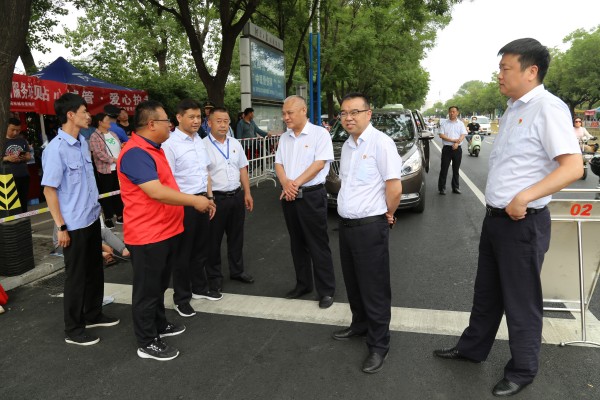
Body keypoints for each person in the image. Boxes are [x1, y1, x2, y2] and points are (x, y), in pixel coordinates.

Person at [433, 38, 582, 397]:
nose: (499, 75)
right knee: (486, 292)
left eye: (505, 68)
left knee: (521, 301)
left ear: (531, 71)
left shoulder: (548, 108)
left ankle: (523, 370)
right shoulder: (514, 108)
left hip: (522, 222)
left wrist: (525, 196)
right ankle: (472, 348)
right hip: (496, 219)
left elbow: (573, 166)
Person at [117, 100, 215, 361]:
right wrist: (194, 201)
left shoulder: (153, 149)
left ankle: (159, 324)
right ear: (151, 124)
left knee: (158, 285)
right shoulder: (136, 152)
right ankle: (146, 341)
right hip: (148, 234)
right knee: (147, 290)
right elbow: (156, 191)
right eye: (165, 121)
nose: (170, 125)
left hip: (165, 230)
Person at [330, 92, 402, 374]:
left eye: (354, 112)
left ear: (368, 114)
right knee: (353, 282)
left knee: (374, 288)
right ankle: (359, 325)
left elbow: (394, 187)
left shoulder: (381, 143)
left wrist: (388, 213)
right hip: (347, 226)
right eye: (344, 113)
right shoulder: (348, 146)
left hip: (370, 227)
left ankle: (379, 344)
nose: (348, 118)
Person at [41, 93, 119, 346]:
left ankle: (93, 313)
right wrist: (61, 227)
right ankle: (73, 329)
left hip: (91, 218)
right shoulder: (56, 149)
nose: (89, 116)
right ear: (70, 114)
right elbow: (49, 191)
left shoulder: (82, 143)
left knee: (94, 270)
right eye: (85, 111)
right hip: (73, 224)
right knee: (76, 277)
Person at [275, 95, 336, 309]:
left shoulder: (320, 134)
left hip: (311, 196)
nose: (286, 117)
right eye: (284, 113)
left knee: (317, 243)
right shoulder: (285, 138)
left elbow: (319, 164)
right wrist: (286, 184)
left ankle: (326, 290)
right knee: (297, 243)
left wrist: (294, 184)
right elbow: (279, 164)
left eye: (289, 113)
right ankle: (303, 284)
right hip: (289, 195)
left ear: (303, 111)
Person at [162, 99, 217, 316]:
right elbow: (167, 180)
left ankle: (199, 288)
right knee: (182, 254)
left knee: (201, 249)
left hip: (202, 200)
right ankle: (181, 298)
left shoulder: (199, 141)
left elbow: (205, 172)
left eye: (198, 117)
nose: (196, 121)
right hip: (183, 204)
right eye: (191, 117)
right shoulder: (169, 144)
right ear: (178, 117)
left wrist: (210, 197)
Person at [204, 106, 255, 296]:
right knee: (213, 240)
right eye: (218, 121)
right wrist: (210, 198)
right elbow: (205, 174)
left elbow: (243, 168)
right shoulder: (202, 146)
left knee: (236, 237)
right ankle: (214, 277)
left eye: (226, 121)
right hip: (216, 198)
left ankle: (237, 271)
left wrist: (247, 193)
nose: (223, 125)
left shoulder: (235, 143)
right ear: (209, 123)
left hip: (236, 196)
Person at [89, 113, 124, 228]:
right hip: (105, 170)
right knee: (106, 194)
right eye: (107, 120)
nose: (109, 122)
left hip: (117, 169)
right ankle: (108, 217)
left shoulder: (113, 134)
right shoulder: (94, 136)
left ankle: (120, 215)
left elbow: (118, 147)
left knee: (117, 192)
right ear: (100, 122)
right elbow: (98, 153)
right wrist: (113, 160)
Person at [3, 118, 31, 213]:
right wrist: (7, 158)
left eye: (18, 130)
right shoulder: (2, 141)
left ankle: (24, 221)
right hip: (8, 178)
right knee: (12, 204)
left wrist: (24, 157)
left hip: (24, 175)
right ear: (6, 128)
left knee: (23, 201)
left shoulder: (22, 141)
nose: (15, 132)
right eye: (13, 130)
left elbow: (28, 156)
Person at [438, 106, 467, 195]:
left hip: (457, 149)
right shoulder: (444, 123)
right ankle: (442, 188)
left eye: (454, 111)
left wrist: (457, 143)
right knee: (444, 169)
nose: (452, 113)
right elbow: (441, 135)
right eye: (450, 111)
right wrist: (453, 140)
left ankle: (455, 187)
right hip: (447, 149)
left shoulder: (461, 124)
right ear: (448, 112)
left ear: (457, 113)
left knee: (456, 169)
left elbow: (463, 134)